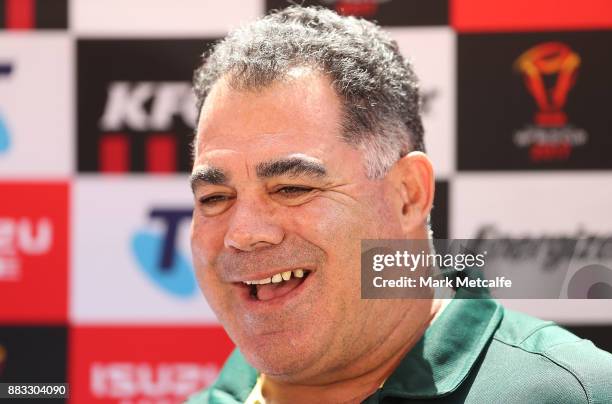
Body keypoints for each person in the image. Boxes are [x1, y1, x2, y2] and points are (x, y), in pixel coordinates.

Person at [186, 6, 612, 403]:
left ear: (409, 194)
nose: (243, 233)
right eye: (215, 198)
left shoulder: (578, 392)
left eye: (291, 188)